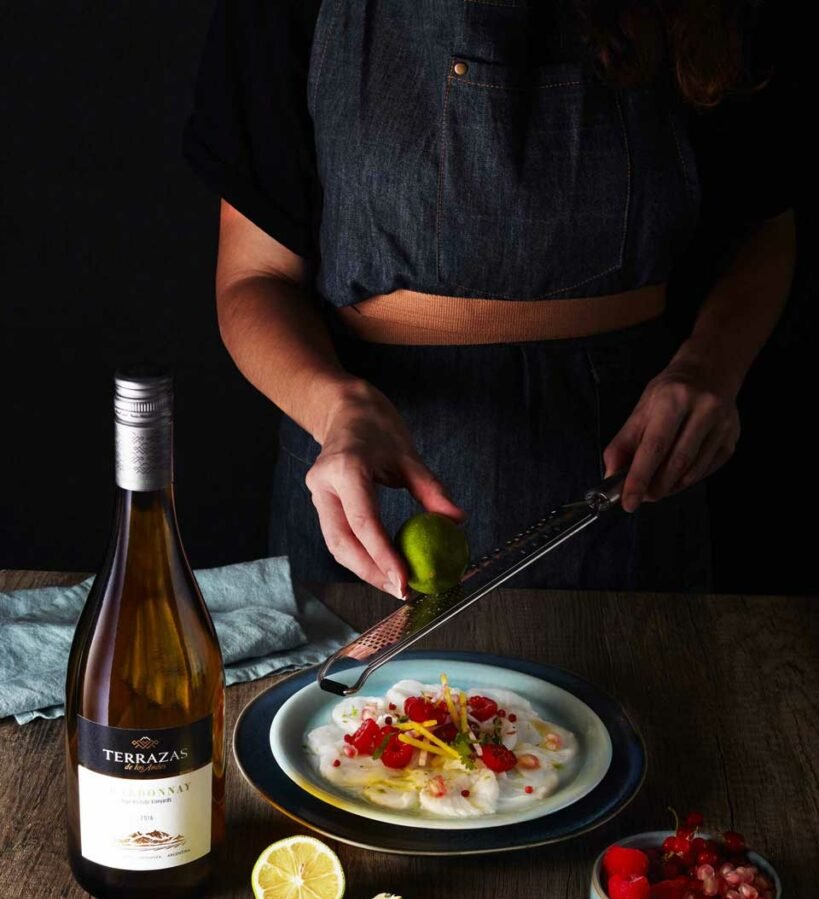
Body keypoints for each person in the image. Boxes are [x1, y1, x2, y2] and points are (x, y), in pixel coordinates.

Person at [184, 0, 795, 597]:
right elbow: (253, 278)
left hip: (631, 493)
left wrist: (710, 369)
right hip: (362, 495)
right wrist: (336, 409)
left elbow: (764, 226)